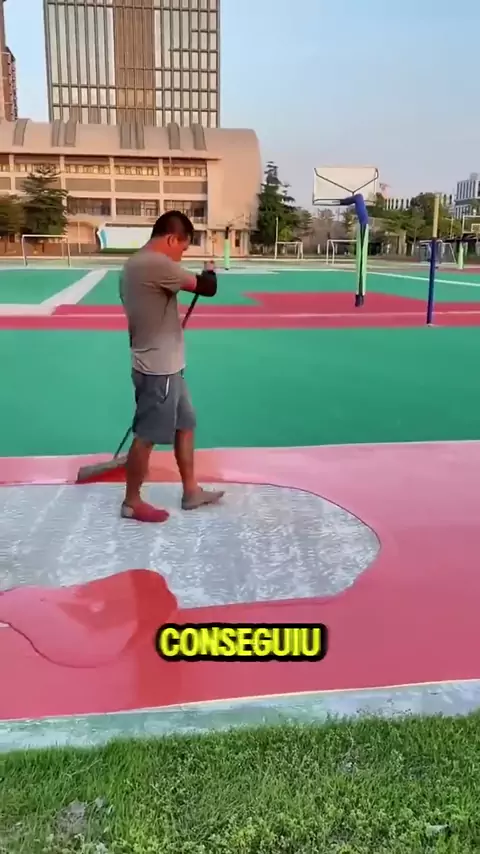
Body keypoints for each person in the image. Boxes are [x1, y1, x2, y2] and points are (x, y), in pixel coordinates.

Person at [119, 211, 224, 523]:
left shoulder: (134, 263)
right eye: (183, 247)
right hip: (158, 368)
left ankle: (191, 490)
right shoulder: (156, 264)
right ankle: (131, 501)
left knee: (185, 424)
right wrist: (210, 271)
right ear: (171, 239)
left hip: (166, 364)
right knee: (147, 435)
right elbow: (207, 288)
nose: (181, 255)